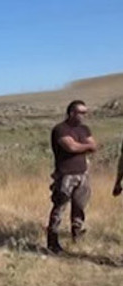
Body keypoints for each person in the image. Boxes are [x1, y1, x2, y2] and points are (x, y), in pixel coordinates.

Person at [47, 100, 97, 253]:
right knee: (59, 207)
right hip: (65, 175)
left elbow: (93, 146)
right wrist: (84, 146)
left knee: (79, 207)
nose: (83, 116)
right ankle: (53, 241)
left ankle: (77, 235)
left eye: (85, 112)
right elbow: (70, 147)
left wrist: (81, 146)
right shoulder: (60, 129)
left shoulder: (84, 129)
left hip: (82, 173)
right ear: (71, 113)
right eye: (81, 112)